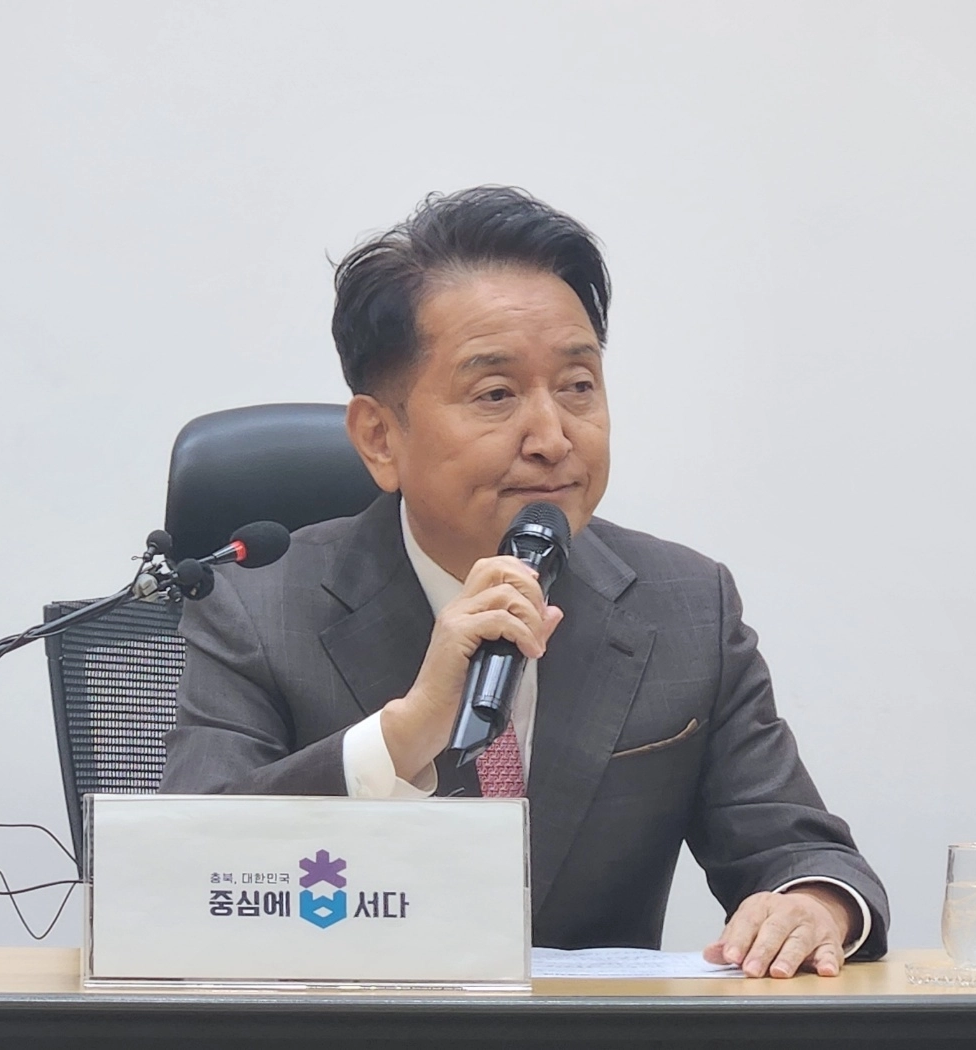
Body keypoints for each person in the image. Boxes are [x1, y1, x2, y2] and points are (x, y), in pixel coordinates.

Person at [161, 186, 889, 977]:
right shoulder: (257, 606)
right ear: (379, 438)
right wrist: (402, 738)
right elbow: (179, 871)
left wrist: (812, 904)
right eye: (496, 395)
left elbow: (799, 849)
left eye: (578, 386)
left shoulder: (685, 605)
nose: (552, 437)